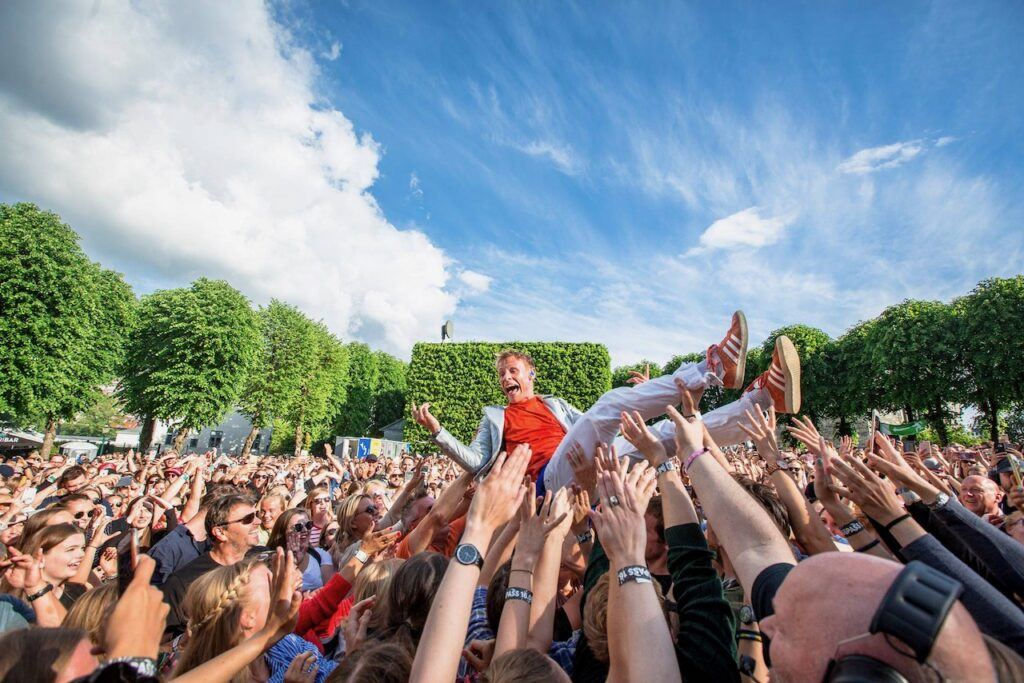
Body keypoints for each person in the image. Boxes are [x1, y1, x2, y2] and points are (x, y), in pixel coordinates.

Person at [412, 316, 801, 493]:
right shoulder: (494, 416)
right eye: (501, 374)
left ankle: (763, 399)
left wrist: (654, 394)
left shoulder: (557, 405)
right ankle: (711, 367)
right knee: (609, 403)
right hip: (550, 481)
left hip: (586, 460)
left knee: (669, 431)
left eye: (511, 370)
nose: (505, 378)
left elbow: (607, 423)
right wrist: (437, 432)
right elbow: (477, 461)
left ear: (531, 374)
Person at [159, 493, 262, 636]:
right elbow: (161, 642)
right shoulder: (183, 582)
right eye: (248, 519)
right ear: (220, 532)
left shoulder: (262, 560)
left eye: (256, 515)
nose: (258, 521)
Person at [268, 508, 334, 593]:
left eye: (308, 525)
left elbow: (328, 592)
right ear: (284, 532)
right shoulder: (271, 559)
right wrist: (293, 562)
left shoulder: (320, 555)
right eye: (298, 527)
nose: (305, 530)